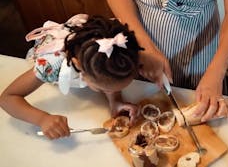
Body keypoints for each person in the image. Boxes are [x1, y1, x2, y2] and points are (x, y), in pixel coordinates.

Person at [0, 14, 143, 140]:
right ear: (78, 66)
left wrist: (115, 100)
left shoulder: (117, 47)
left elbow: (110, 81)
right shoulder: (50, 65)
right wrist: (42, 119)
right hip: (44, 58)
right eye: (102, 88)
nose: (110, 91)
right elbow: (7, 98)